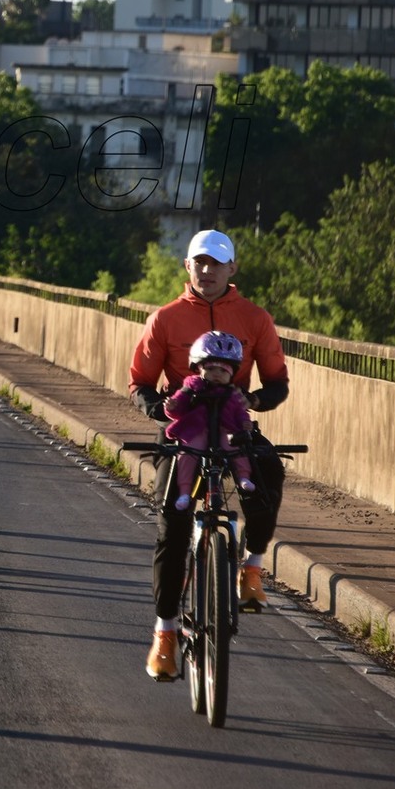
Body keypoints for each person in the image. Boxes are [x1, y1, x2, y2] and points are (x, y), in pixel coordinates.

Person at [128, 228, 290, 679]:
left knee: (270, 475)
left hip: (235, 427)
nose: (207, 270)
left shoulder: (256, 319)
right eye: (199, 262)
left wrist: (254, 402)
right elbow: (139, 382)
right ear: (188, 266)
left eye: (217, 263)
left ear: (232, 269)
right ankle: (164, 633)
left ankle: (252, 568)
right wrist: (158, 409)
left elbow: (277, 382)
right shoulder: (165, 319)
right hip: (184, 432)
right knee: (171, 525)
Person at [163, 333, 256, 511]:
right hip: (196, 430)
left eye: (223, 371)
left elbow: (241, 413)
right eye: (211, 369)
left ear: (232, 374)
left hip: (224, 429)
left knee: (236, 446)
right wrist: (172, 406)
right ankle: (184, 492)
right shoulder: (191, 386)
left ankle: (244, 477)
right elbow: (176, 410)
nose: (216, 374)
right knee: (188, 453)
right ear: (199, 368)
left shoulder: (233, 393)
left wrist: (245, 423)